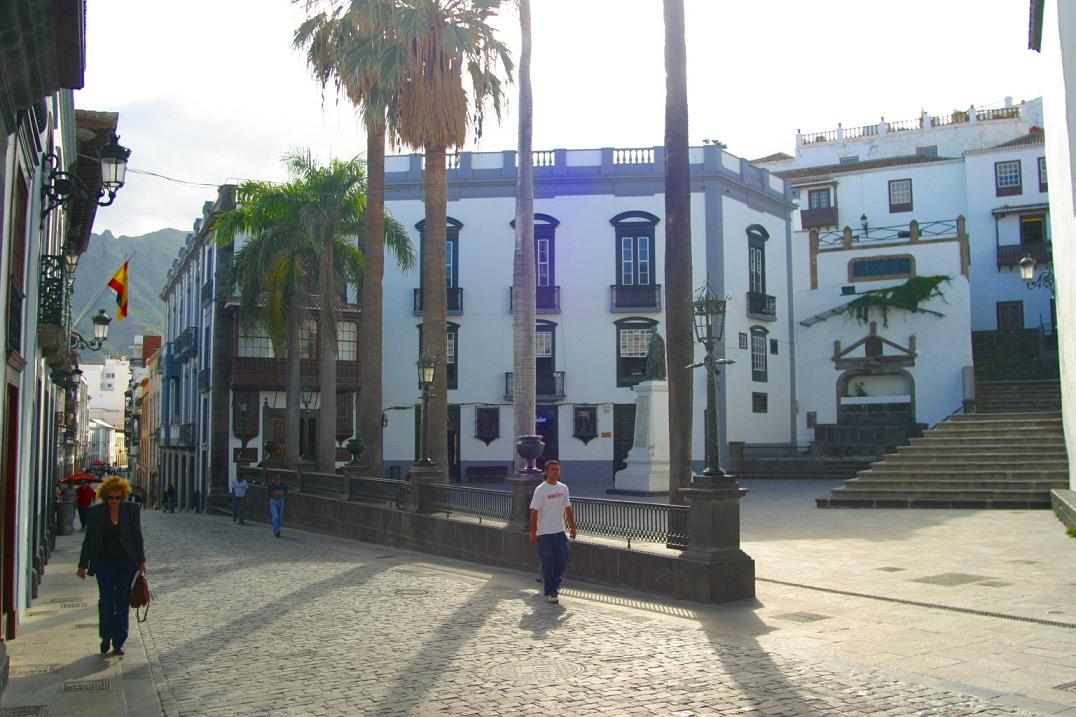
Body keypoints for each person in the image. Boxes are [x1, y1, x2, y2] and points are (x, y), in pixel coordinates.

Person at [76, 475, 146, 657]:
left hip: (126, 563)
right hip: (103, 562)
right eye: (110, 498)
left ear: (123, 496)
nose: (114, 501)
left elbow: (137, 536)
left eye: (117, 498)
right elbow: (89, 540)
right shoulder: (96, 513)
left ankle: (119, 641)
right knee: (106, 600)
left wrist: (141, 562)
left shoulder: (131, 510)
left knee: (123, 601)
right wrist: (82, 565)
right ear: (104, 496)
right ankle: (105, 636)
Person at [528, 460, 577, 604]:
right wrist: (533, 532)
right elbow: (534, 513)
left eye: (557, 469)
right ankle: (551, 592)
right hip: (544, 533)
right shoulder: (540, 490)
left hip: (560, 531)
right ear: (546, 472)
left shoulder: (563, 488)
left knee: (563, 560)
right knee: (547, 563)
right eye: (553, 469)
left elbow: (568, 509)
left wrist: (573, 527)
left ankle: (552, 581)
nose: (556, 472)